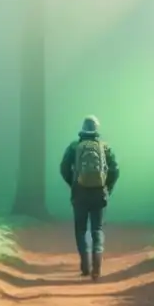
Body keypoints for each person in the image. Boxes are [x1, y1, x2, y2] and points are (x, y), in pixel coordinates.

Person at [59, 115, 120, 280]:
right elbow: (115, 170)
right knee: (97, 229)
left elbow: (64, 168)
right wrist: (107, 187)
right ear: (96, 129)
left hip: (79, 193)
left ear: (83, 129)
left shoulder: (74, 146)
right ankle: (97, 268)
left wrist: (73, 183)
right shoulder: (104, 147)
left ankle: (85, 267)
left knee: (80, 229)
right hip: (99, 193)